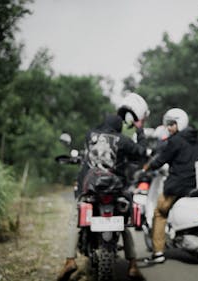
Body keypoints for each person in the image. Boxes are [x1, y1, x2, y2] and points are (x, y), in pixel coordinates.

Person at [57, 114, 148, 281]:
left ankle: (70, 260)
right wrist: (139, 130)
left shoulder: (90, 135)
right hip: (115, 190)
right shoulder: (123, 140)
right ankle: (133, 265)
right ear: (119, 127)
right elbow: (142, 152)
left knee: (75, 220)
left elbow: (86, 154)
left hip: (90, 189)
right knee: (124, 224)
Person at [142, 108, 198, 264]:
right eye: (168, 125)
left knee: (159, 212)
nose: (169, 128)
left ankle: (158, 252)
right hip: (196, 184)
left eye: (171, 124)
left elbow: (161, 159)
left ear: (180, 123)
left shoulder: (175, 140)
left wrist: (145, 168)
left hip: (177, 185)